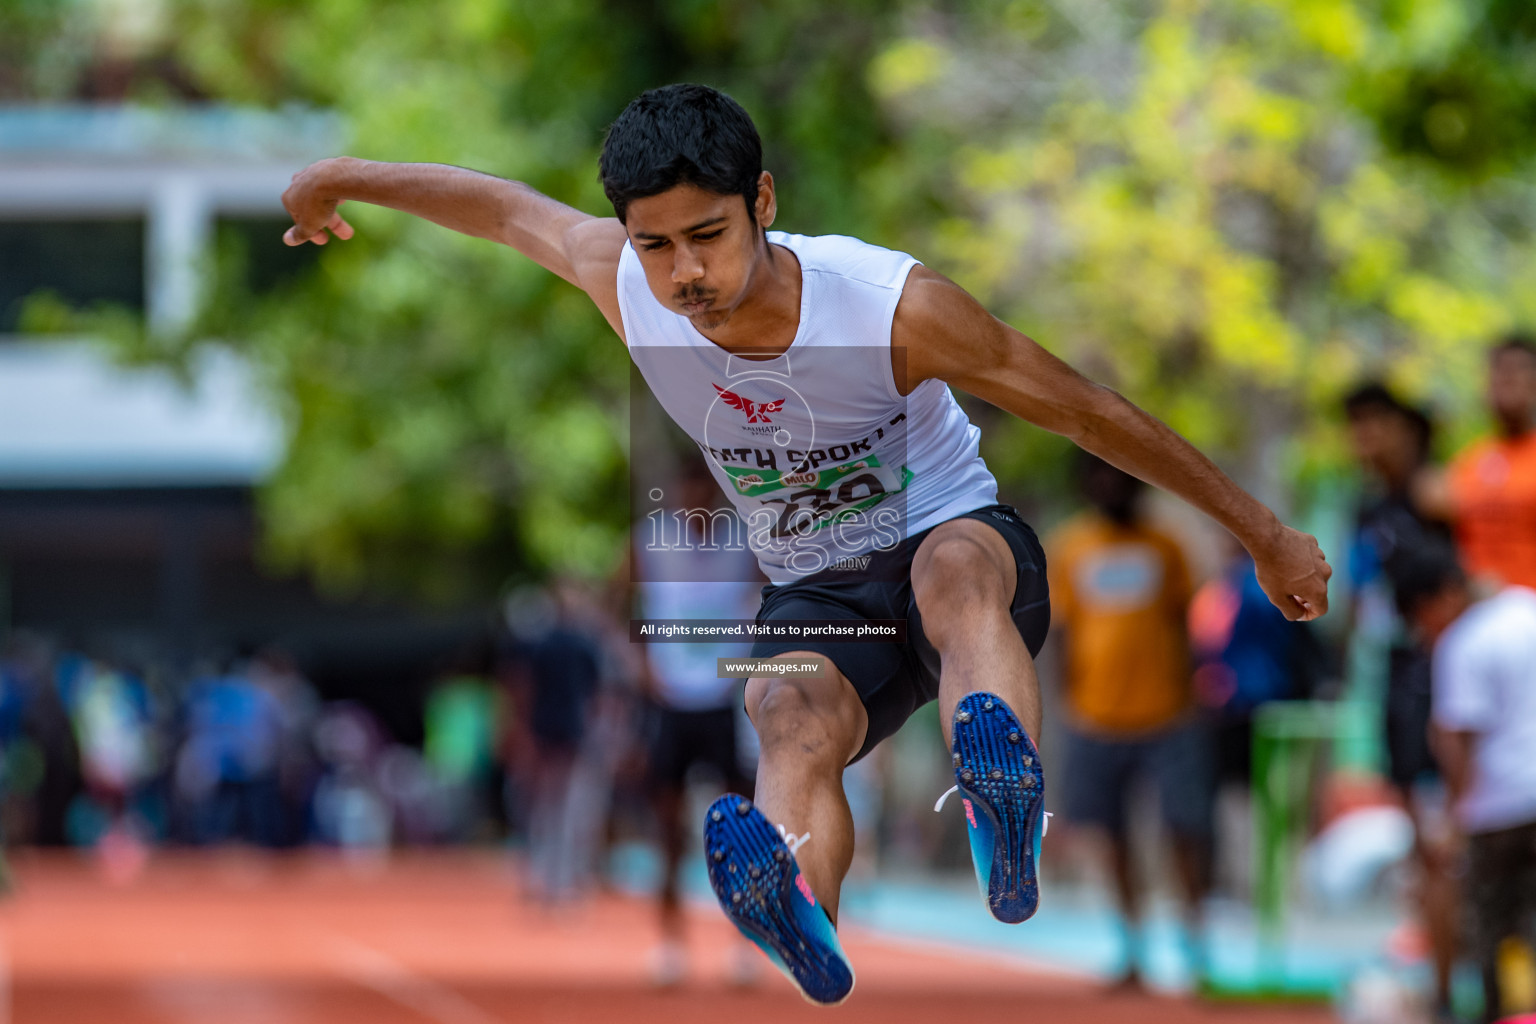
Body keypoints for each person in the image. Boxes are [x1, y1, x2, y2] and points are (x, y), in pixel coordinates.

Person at [280, 83, 1331, 1004]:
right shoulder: (628, 284)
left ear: (765, 204)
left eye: (708, 235)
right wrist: (339, 176)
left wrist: (1265, 534)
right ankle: (798, 904)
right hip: (821, 594)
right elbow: (504, 210)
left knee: (952, 572)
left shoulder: (890, 307)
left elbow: (1086, 411)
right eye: (656, 244)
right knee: (782, 705)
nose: (683, 271)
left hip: (955, 543)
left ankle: (1001, 799)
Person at [1047, 454, 1210, 988]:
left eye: (1119, 476)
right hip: (1095, 717)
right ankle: (1132, 949)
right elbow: (1064, 632)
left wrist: (1191, 696)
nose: (1108, 485)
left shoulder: (1166, 547)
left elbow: (1184, 626)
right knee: (1110, 835)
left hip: (1168, 716)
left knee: (1184, 828)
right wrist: (1067, 703)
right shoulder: (1072, 548)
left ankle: (1194, 943)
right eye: (1097, 476)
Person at [1342, 381, 1457, 1019]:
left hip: (1452, 682)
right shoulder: (1367, 509)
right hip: (1397, 682)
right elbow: (1362, 601)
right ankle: (1445, 986)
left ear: (1409, 431)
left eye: (1376, 424)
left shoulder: (1442, 496)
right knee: (1425, 842)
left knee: (1461, 838)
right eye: (1355, 425)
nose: (1365, 438)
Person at [633, 458, 762, 985]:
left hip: (723, 699)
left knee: (741, 829)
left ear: (716, 489)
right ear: (677, 491)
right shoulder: (647, 543)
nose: (695, 497)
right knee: (667, 833)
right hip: (670, 702)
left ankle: (745, 945)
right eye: (687, 487)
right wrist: (639, 667)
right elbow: (612, 608)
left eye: (704, 487)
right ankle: (670, 945)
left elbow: (780, 598)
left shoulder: (744, 543)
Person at [1395, 545, 1536, 1024]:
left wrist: (1454, 817)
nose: (1425, 631)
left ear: (1444, 596)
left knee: (1495, 932)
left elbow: (1458, 740)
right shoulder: (1526, 608)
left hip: (1499, 806)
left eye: (1422, 616)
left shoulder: (1463, 642)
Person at [1436, 336, 1536, 591]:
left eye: (1518, 369)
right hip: (1474, 608)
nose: (1506, 378)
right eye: (1498, 369)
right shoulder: (1468, 463)